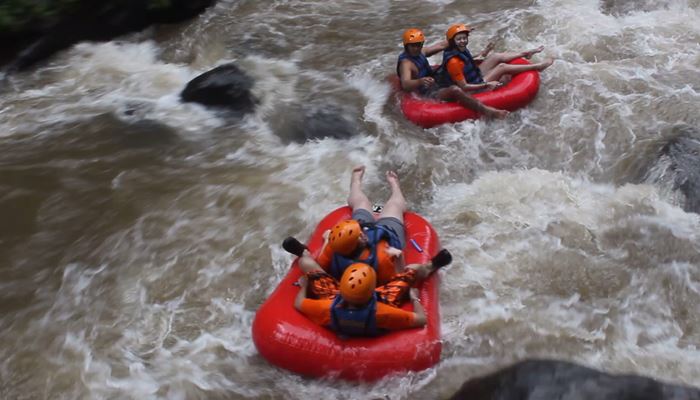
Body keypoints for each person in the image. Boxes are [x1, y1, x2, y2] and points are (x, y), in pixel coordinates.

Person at [284, 165, 410, 285]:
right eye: (359, 235)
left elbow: (321, 265)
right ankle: (395, 185)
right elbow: (396, 281)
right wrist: (399, 256)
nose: (362, 232)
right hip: (387, 235)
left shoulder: (334, 248)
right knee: (394, 206)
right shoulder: (382, 256)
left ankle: (355, 182)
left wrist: (327, 239)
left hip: (361, 238)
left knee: (360, 203)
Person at [293, 252, 452, 337]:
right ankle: (430, 267)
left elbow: (298, 303)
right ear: (374, 289)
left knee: (306, 263)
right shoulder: (383, 312)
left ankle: (304, 251)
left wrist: (305, 286)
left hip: (332, 298)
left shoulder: (325, 307)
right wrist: (414, 298)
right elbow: (421, 319)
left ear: (342, 287)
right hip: (383, 302)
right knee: (412, 269)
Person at [397, 28, 509, 119]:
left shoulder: (422, 51)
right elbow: (406, 84)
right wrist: (420, 81)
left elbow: (441, 46)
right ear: (406, 46)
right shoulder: (406, 63)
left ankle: (482, 61)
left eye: (418, 44)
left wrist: (458, 33)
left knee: (456, 65)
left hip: (436, 81)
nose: (416, 48)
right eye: (413, 46)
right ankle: (488, 111)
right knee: (455, 90)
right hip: (428, 92)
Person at [436, 23, 554, 93]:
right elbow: (464, 87)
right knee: (502, 67)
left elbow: (468, 62)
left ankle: (525, 53)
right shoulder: (453, 61)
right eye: (459, 39)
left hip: (474, 77)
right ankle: (538, 67)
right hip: (470, 90)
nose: (462, 41)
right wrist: (487, 85)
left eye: (464, 38)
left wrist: (485, 52)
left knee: (495, 56)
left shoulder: (460, 49)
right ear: (452, 41)